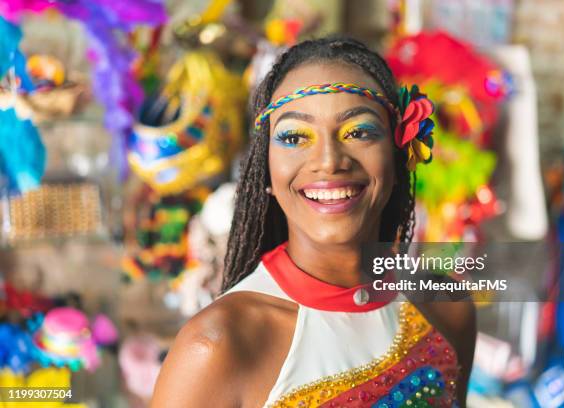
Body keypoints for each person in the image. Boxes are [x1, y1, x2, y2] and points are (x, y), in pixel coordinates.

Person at [151, 37, 476, 408]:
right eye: (294, 137)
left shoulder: (447, 306)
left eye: (359, 132)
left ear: (398, 153)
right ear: (266, 171)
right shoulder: (217, 347)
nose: (329, 160)